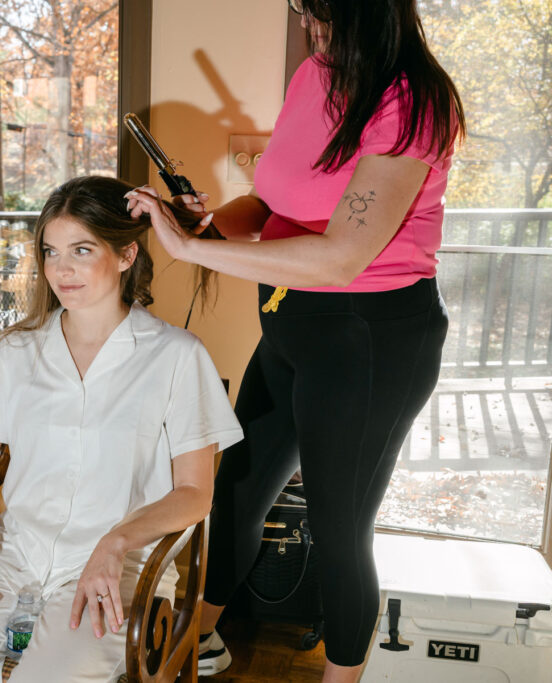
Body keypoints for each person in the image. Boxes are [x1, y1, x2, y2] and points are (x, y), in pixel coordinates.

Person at [126, 1, 465, 681]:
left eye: (322, 17)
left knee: (341, 533)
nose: (312, 32)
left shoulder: (415, 103)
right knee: (238, 492)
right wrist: (211, 222)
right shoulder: (314, 75)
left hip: (369, 341)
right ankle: (187, 649)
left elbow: (342, 256)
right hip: (291, 324)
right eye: (305, 15)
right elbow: (275, 201)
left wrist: (192, 253)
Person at [0, 175, 242, 682]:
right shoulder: (18, 352)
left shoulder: (177, 356)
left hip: (119, 567)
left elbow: (196, 493)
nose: (62, 270)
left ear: (127, 255)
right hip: (11, 558)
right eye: (51, 252)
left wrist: (117, 541)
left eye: (81, 250)